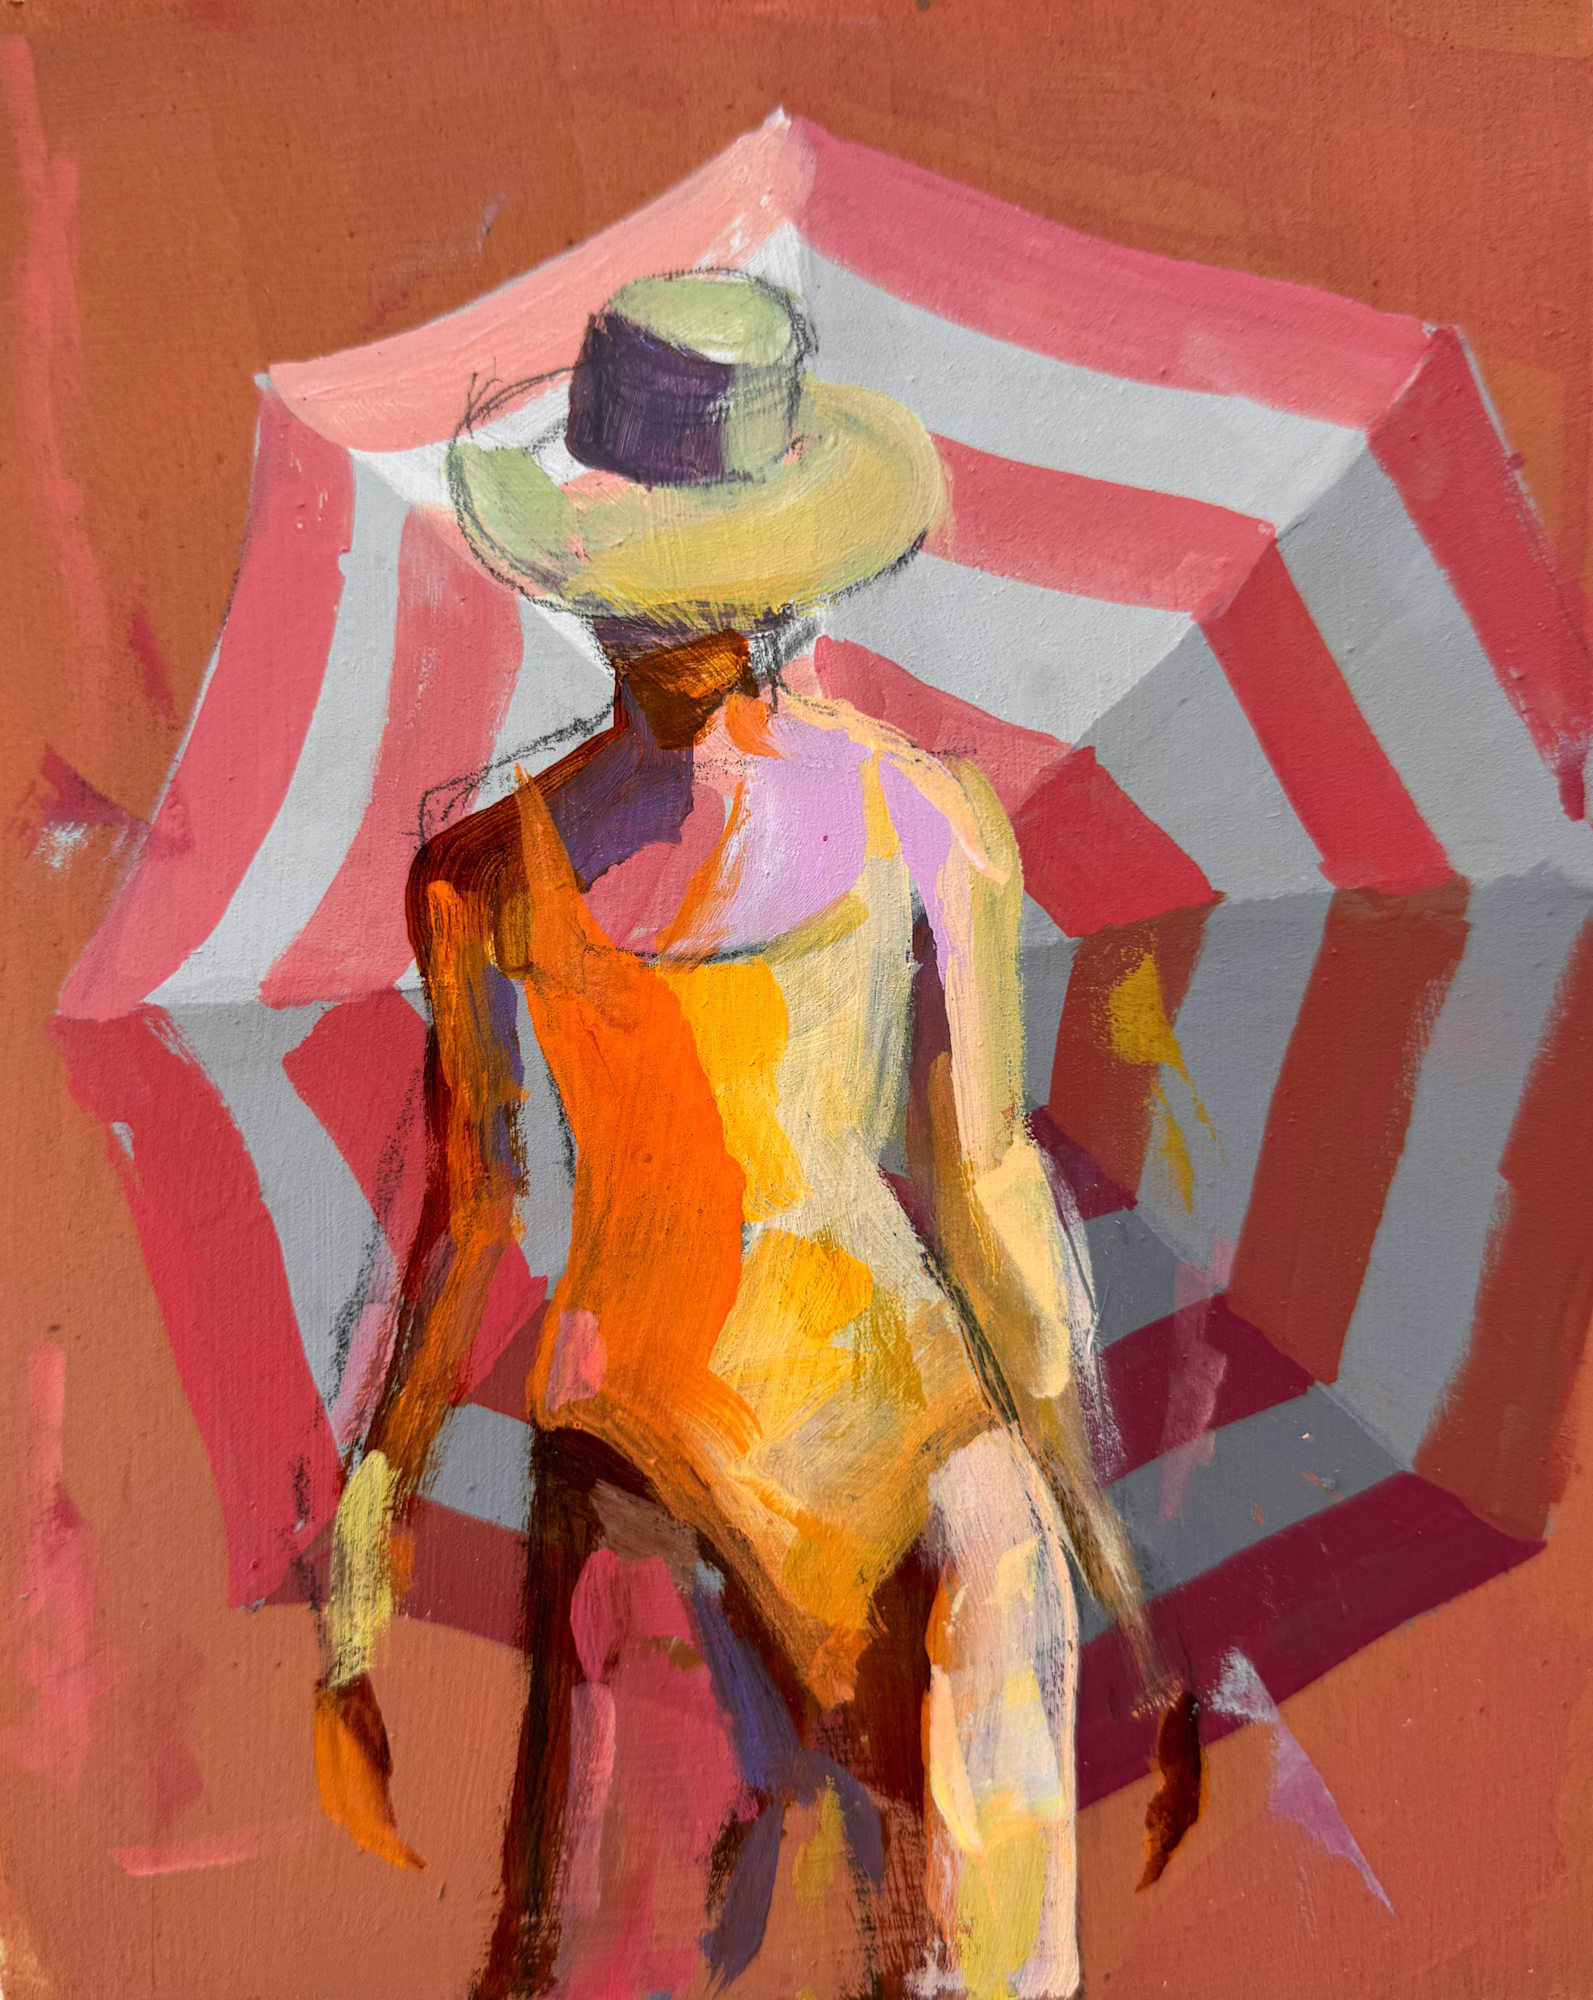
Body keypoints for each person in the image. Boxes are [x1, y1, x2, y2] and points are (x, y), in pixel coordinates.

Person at [311, 270, 1184, 2000]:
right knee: (954, 1977)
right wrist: (1101, 1533)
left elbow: (474, 1222)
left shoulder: (490, 873)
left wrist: (372, 1508)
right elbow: (983, 1190)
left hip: (683, 1448)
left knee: (631, 1968)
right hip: (879, 1450)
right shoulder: (918, 819)